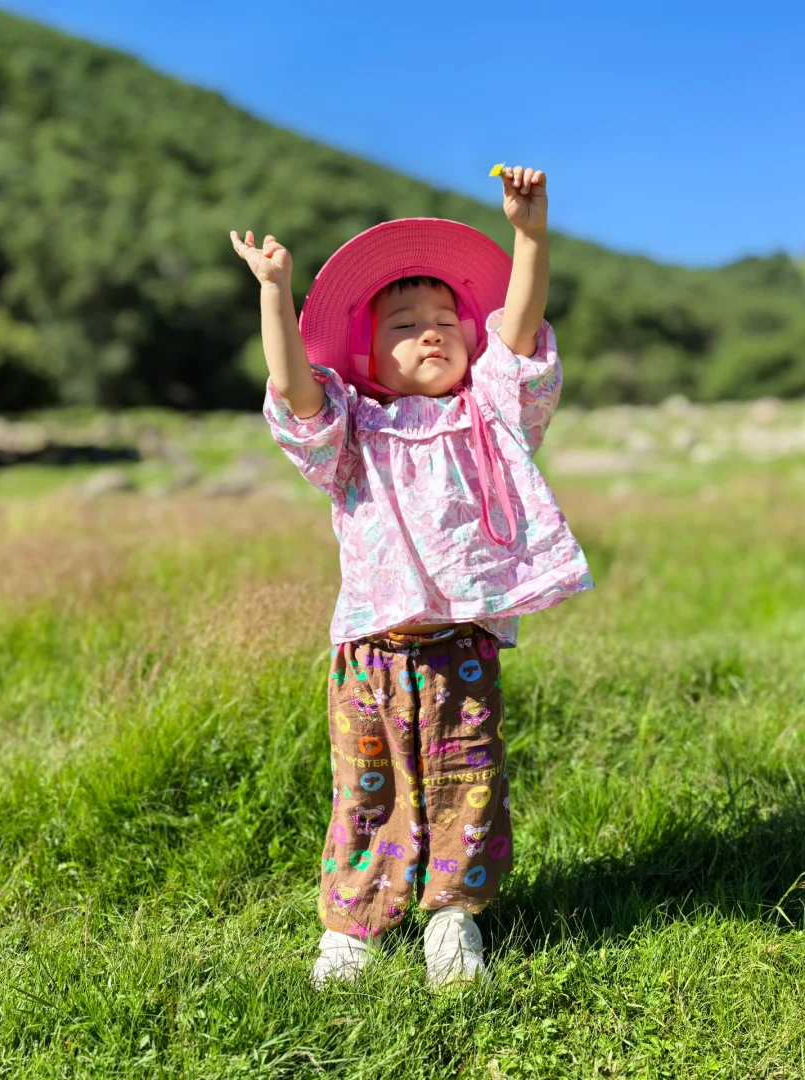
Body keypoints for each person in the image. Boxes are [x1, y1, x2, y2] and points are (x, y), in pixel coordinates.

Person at [230, 166, 593, 989]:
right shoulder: (353, 429)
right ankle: (352, 928)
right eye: (405, 324)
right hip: (371, 653)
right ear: (366, 353)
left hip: (461, 647)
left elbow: (522, 334)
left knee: (468, 785)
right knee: (365, 792)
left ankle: (452, 921)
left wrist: (528, 234)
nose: (432, 334)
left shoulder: (488, 413)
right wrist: (276, 294)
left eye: (444, 321)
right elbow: (292, 388)